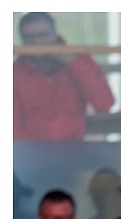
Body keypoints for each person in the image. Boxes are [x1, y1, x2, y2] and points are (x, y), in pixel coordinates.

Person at [13, 12, 115, 141]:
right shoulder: (15, 73)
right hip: (30, 152)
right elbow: (12, 123)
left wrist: (75, 64)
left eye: (43, 35)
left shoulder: (80, 61)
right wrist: (27, 153)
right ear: (23, 41)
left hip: (73, 149)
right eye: (30, 38)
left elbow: (105, 103)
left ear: (55, 34)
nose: (37, 42)